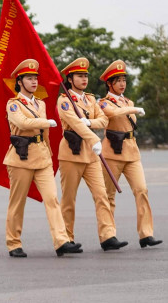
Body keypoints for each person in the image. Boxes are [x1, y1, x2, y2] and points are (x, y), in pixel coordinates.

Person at [4, 59, 82, 258]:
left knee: (52, 199)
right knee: (17, 202)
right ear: (20, 81)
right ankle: (14, 243)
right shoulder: (13, 104)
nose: (34, 82)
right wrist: (45, 121)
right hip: (21, 157)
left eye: (35, 79)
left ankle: (61, 241)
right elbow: (22, 122)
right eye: (29, 78)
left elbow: (45, 132)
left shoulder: (40, 103)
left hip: (41, 155)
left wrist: (49, 151)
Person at [57, 58, 127, 251]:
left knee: (101, 195)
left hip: (91, 154)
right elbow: (75, 123)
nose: (84, 79)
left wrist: (91, 124)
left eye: (86, 75)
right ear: (70, 79)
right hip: (72, 153)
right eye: (80, 76)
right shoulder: (64, 101)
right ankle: (67, 238)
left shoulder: (89, 99)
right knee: (69, 199)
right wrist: (93, 137)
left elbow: (103, 120)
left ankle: (108, 236)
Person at [98, 60, 162, 248]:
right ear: (109, 84)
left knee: (141, 190)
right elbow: (114, 113)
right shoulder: (103, 103)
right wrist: (134, 109)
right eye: (117, 80)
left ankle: (146, 234)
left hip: (132, 152)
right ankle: (107, 236)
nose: (122, 84)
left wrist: (132, 107)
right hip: (112, 153)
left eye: (124, 80)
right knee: (108, 195)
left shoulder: (128, 101)